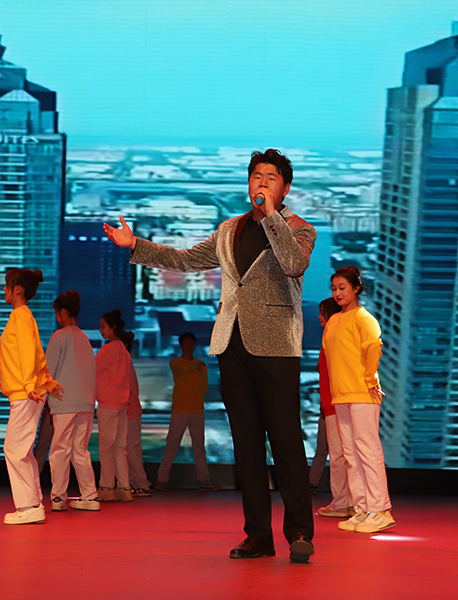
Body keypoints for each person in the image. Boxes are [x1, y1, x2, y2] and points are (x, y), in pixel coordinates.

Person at [104, 149, 316, 563]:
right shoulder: (228, 229)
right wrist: (136, 246)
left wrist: (271, 216)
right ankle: (258, 535)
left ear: (286, 188)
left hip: (277, 348)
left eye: (271, 178)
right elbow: (185, 260)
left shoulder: (299, 230)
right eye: (256, 176)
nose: (261, 183)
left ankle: (299, 533)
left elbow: (294, 264)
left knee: (287, 443)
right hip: (231, 346)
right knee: (247, 446)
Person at [324, 267, 394, 534]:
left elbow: (374, 346)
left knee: (368, 450)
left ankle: (380, 510)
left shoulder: (364, 318)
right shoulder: (334, 320)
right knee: (351, 454)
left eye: (342, 288)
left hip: (363, 394)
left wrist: (369, 378)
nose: (337, 293)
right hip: (341, 395)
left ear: (356, 289)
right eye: (334, 289)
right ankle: (362, 509)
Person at [0, 268, 62, 525]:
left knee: (15, 449)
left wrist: (29, 384)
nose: (4, 290)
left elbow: (28, 352)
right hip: (29, 391)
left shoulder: (20, 316)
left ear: (17, 289)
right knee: (20, 450)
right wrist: (45, 381)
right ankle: (32, 503)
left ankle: (29, 506)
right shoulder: (24, 316)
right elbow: (36, 352)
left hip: (26, 393)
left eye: (7, 286)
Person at [45, 291, 100, 512]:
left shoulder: (59, 336)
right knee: (80, 451)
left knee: (60, 450)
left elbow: (48, 372)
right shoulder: (84, 338)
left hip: (63, 401)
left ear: (62, 312)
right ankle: (90, 496)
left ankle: (59, 498)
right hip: (85, 403)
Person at [157, 332, 219, 492]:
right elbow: (181, 371)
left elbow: (204, 388)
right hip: (180, 409)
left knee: (199, 447)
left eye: (192, 341)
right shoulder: (175, 362)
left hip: (197, 409)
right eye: (186, 341)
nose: (189, 344)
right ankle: (162, 479)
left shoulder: (201, 365)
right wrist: (195, 369)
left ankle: (204, 480)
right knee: (172, 445)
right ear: (181, 345)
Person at [313, 298, 352, 519]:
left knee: (338, 455)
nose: (319, 317)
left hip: (336, 404)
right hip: (334, 404)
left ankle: (342, 503)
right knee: (343, 455)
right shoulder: (332, 338)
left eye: (322, 313)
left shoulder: (334, 339)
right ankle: (347, 501)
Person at [96, 310, 134, 503]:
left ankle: (106, 488)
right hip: (122, 405)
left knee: (106, 448)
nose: (100, 330)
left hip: (108, 404)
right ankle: (124, 488)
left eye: (103, 327)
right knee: (120, 449)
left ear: (113, 328)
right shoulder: (124, 351)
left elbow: (91, 369)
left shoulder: (108, 349)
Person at [121, 330, 152, 497]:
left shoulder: (125, 361)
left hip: (129, 411)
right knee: (127, 450)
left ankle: (142, 484)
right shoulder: (125, 361)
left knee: (131, 450)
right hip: (127, 411)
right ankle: (134, 484)